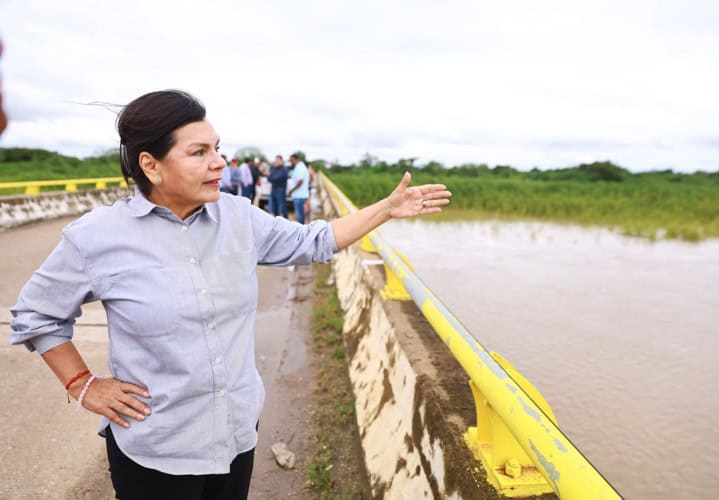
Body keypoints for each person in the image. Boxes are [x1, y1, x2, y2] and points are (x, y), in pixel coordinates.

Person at [8, 89, 450, 500]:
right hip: (156, 448)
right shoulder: (97, 237)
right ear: (151, 165)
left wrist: (385, 209)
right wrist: (83, 384)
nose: (218, 162)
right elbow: (37, 316)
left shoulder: (238, 216)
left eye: (217, 148)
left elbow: (313, 241)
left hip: (235, 435)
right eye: (199, 152)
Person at [287, 152, 310, 223]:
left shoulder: (300, 167)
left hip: (300, 196)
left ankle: (302, 233)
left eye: (291, 160)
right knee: (301, 216)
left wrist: (291, 190)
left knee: (300, 217)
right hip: (299, 195)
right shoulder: (299, 167)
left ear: (295, 159)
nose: (291, 162)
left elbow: (300, 181)